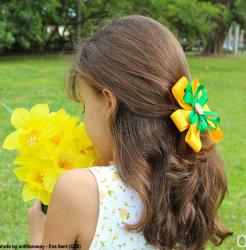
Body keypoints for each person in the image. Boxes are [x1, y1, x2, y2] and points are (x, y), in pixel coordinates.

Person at [28, 14, 232, 250]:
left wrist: (38, 236)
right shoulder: (187, 180)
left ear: (108, 103)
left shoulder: (78, 190)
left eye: (85, 107)